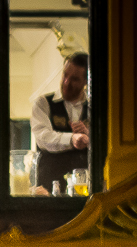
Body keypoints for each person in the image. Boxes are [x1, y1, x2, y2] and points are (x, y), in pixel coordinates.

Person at [31, 52, 91, 193]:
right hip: (49, 187)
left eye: (74, 79)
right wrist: (72, 139)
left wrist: (89, 135)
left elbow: (106, 143)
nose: (66, 82)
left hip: (86, 190)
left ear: (86, 81)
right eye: (65, 75)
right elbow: (43, 138)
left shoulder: (95, 108)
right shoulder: (43, 103)